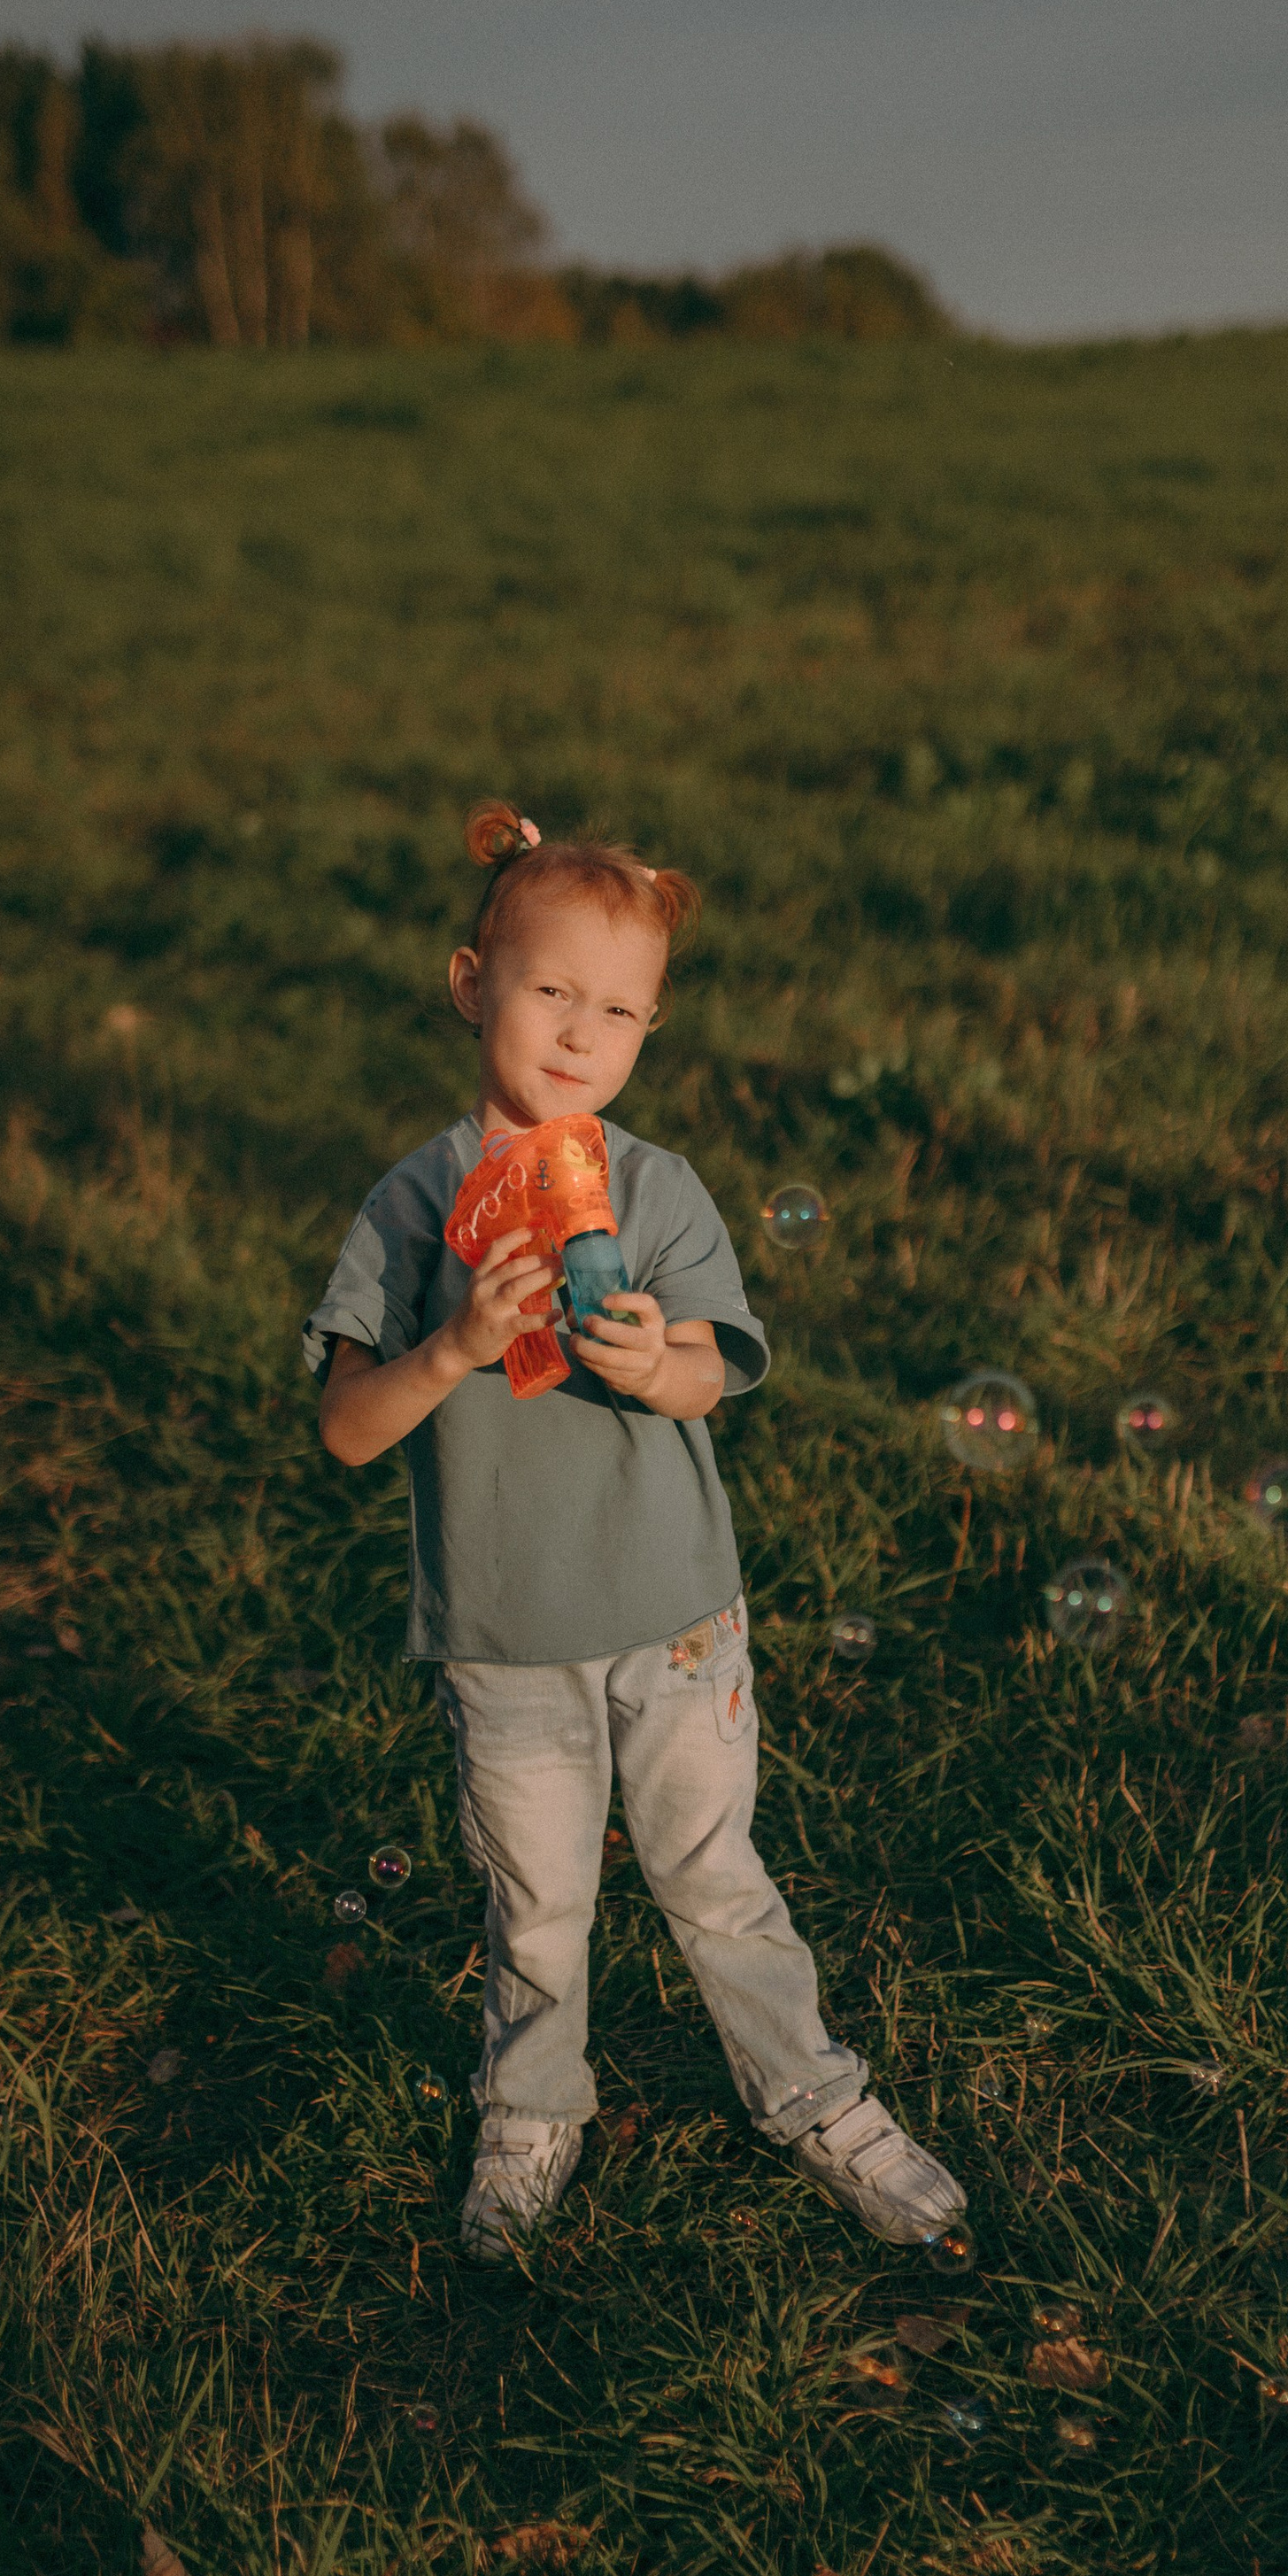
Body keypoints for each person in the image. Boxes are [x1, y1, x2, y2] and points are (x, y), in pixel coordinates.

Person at [304, 800, 967, 2264]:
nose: (579, 1032)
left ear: (651, 1028)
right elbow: (348, 1427)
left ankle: (815, 2097)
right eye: (550, 990)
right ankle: (532, 2109)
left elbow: (711, 1375)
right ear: (470, 983)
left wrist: (650, 1360)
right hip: (504, 1632)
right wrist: (452, 1349)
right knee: (539, 1904)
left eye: (619, 1010)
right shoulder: (415, 1206)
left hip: (675, 1618)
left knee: (714, 1876)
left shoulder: (653, 1188)